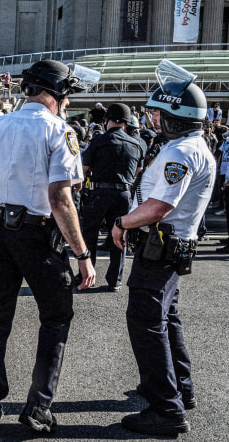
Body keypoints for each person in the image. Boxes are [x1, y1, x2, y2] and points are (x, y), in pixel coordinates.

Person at [0, 59, 97, 437]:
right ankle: (38, 406)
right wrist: (82, 254)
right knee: (56, 317)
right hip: (39, 237)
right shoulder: (59, 131)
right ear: (59, 92)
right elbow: (61, 198)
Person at [111, 61, 215, 436]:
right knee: (167, 318)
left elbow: (159, 207)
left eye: (159, 113)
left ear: (175, 116)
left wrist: (121, 223)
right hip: (174, 245)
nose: (153, 120)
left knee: (146, 322)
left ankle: (165, 408)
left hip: (162, 245)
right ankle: (180, 390)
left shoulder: (179, 152)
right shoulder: (191, 146)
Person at [79, 103, 143, 291]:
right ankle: (115, 280)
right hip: (124, 193)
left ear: (107, 120)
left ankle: (86, 276)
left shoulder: (99, 141)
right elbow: (137, 172)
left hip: (99, 192)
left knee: (90, 234)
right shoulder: (136, 143)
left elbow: (83, 169)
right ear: (126, 122)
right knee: (120, 236)